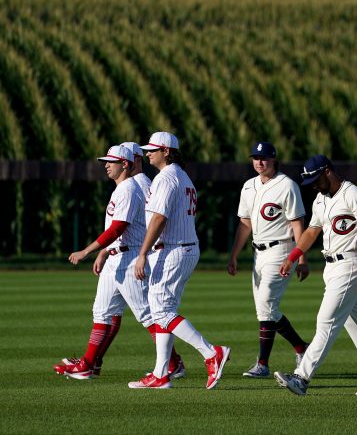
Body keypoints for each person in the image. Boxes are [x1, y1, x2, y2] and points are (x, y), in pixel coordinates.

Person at [54, 144, 184, 380]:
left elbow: (119, 227)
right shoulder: (125, 187)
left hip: (130, 256)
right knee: (102, 312)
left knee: (149, 315)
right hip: (117, 256)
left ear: (126, 163)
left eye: (111, 161)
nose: (106, 165)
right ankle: (89, 363)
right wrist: (105, 252)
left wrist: (89, 251)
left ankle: (174, 363)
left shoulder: (133, 188)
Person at [276, 154, 357, 396]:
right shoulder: (320, 200)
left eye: (316, 180)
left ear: (328, 172)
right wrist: (292, 257)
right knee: (356, 325)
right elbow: (312, 231)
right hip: (331, 268)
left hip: (350, 263)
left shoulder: (353, 194)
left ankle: (301, 377)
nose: (314, 186)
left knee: (326, 322)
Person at [129, 131, 231, 390]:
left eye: (152, 149)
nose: (148, 153)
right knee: (164, 311)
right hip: (182, 248)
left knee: (161, 312)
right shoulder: (182, 176)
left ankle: (211, 353)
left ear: (166, 152)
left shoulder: (166, 178)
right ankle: (160, 374)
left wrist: (142, 253)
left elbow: (158, 219)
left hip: (173, 249)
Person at [227, 141, 310, 379]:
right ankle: (301, 348)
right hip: (258, 254)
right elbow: (245, 224)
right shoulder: (248, 186)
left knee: (265, 305)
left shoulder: (287, 186)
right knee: (266, 309)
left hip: (282, 251)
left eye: (264, 158)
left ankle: (262, 364)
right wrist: (234, 255)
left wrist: (301, 258)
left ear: (274, 160)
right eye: (255, 157)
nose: (259, 162)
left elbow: (297, 224)